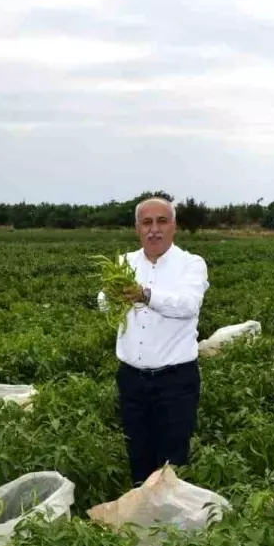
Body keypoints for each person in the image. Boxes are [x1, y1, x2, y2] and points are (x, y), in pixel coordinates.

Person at [98, 197, 209, 485]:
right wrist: (110, 295)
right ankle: (143, 508)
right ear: (137, 228)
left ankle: (171, 511)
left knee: (173, 460)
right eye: (147, 223)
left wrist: (145, 295)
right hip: (132, 380)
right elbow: (104, 304)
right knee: (138, 454)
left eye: (162, 221)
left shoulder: (191, 264)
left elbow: (188, 305)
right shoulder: (125, 263)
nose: (154, 230)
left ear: (174, 226)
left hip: (176, 381)